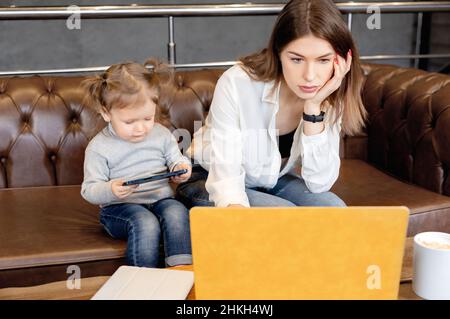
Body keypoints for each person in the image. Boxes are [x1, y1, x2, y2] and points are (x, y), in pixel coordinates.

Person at [176, 0, 367, 208]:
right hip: (208, 177)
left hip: (269, 179)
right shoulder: (238, 82)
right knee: (284, 217)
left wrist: (313, 109)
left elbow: (319, 183)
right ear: (277, 53)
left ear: (341, 60)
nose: (310, 76)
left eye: (323, 60)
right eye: (296, 59)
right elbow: (226, 180)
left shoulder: (329, 92)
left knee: (334, 210)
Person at [81, 60, 193, 267]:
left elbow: (176, 158)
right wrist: (111, 189)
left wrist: (180, 169)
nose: (140, 129)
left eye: (147, 118)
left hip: (160, 200)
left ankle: (182, 271)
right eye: (130, 122)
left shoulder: (161, 134)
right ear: (106, 113)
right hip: (119, 209)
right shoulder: (98, 148)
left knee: (177, 212)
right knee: (145, 222)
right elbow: (89, 190)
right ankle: (142, 280)